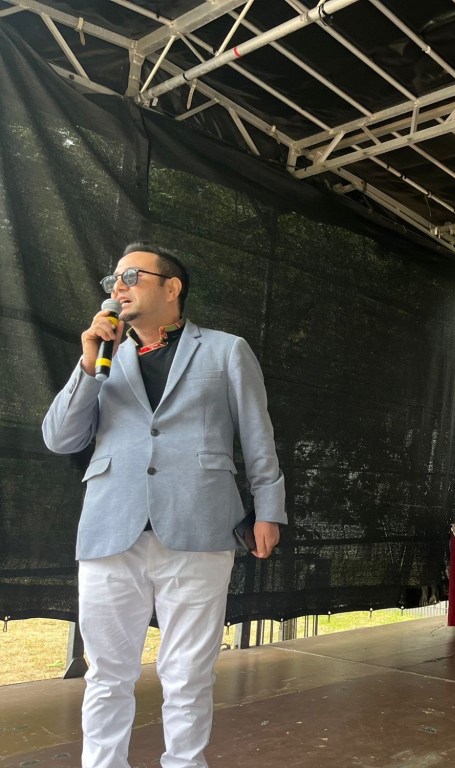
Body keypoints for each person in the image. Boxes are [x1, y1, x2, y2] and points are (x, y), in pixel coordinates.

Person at [42, 242, 286, 768]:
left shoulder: (225, 350)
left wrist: (269, 508)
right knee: (107, 673)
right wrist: (88, 364)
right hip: (111, 526)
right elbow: (61, 439)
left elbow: (257, 435)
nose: (118, 286)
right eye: (114, 279)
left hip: (200, 523)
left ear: (172, 287)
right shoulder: (104, 357)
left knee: (189, 671)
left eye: (132, 276)